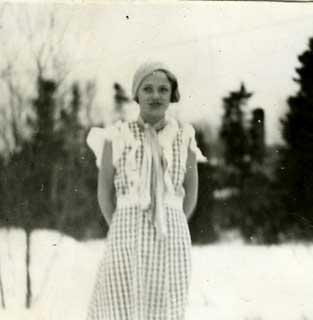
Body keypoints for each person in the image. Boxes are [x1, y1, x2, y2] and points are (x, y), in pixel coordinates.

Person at [86, 61, 199, 320]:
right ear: (136, 94)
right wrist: (121, 223)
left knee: (165, 306)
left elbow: (191, 191)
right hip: (125, 233)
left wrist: (176, 220)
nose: (155, 95)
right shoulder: (116, 136)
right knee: (120, 305)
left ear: (172, 95)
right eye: (147, 89)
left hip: (171, 235)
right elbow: (104, 193)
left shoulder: (185, 138)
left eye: (163, 89)